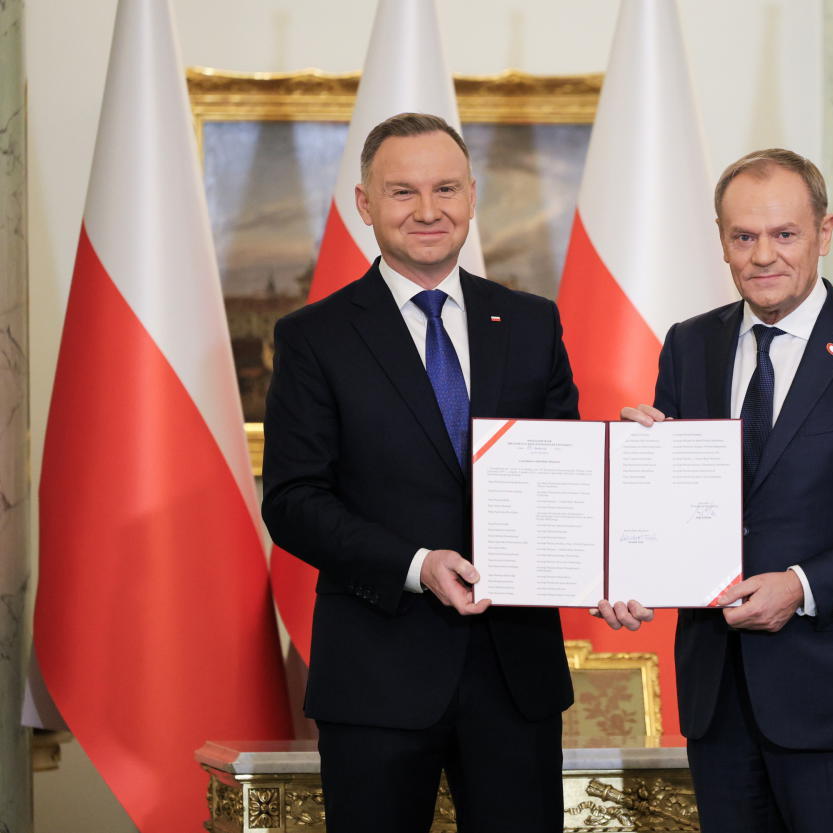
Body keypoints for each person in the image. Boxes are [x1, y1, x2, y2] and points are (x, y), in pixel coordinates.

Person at [262, 112, 645, 833]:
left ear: (473, 194)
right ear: (365, 204)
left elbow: (560, 468)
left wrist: (626, 472)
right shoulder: (315, 336)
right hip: (377, 675)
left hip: (514, 674)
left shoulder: (531, 322)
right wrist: (416, 564)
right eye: (403, 192)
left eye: (445, 188)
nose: (428, 210)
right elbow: (292, 500)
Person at [621, 148, 833, 832]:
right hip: (720, 695)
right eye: (743, 236)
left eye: (784, 234)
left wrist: (802, 585)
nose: (762, 256)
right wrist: (631, 479)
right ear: (721, 239)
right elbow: (681, 509)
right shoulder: (689, 345)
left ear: (823, 232)